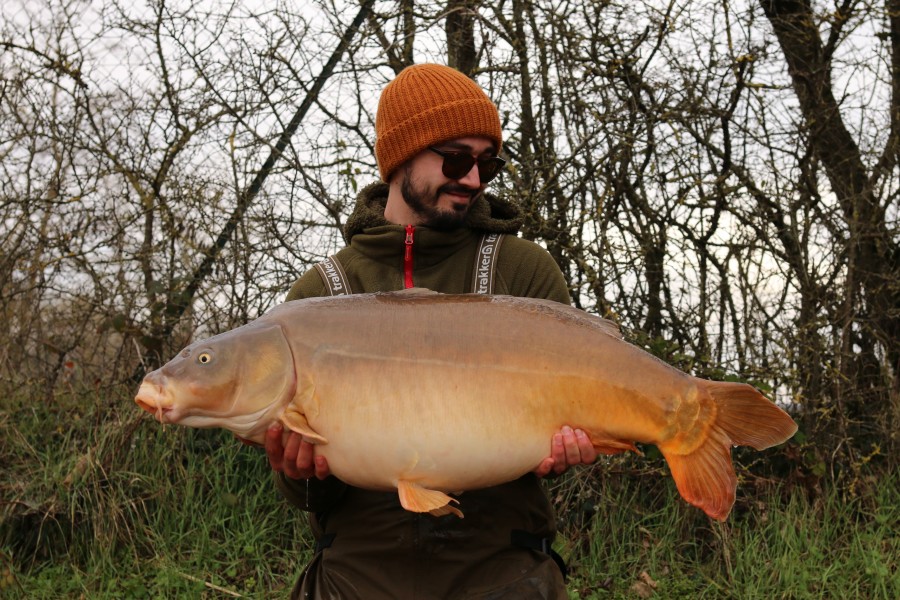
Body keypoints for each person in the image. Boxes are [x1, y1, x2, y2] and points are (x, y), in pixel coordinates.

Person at [265, 63, 596, 599]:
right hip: (359, 578)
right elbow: (306, 497)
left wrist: (569, 450)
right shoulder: (319, 295)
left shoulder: (524, 270)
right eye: (457, 158)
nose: (472, 178)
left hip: (503, 574)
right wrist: (299, 471)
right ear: (401, 156)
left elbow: (552, 449)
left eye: (487, 164)